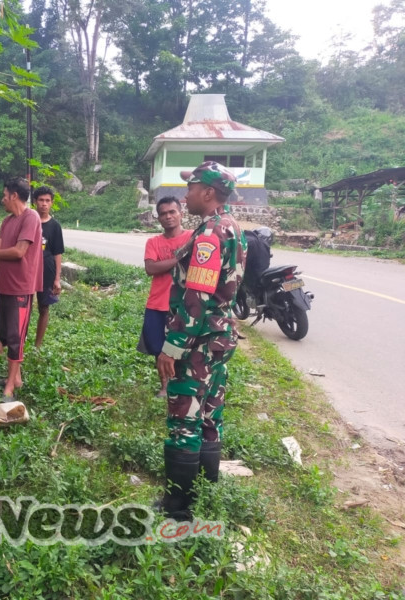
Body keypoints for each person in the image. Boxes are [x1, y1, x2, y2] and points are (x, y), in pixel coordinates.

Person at [155, 161, 246, 520]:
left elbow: (196, 297)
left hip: (198, 344)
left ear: (208, 193)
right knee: (209, 416)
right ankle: (204, 493)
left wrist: (172, 347)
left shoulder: (209, 235)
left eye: (191, 187)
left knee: (183, 421)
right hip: (219, 339)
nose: (186, 193)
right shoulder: (233, 227)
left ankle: (178, 509)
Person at [0, 177, 42, 401]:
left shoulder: (31, 217)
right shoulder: (6, 222)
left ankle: (9, 388)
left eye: (5, 196)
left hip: (21, 288)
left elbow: (18, 251)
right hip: (4, 287)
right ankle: (16, 378)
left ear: (14, 196)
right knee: (5, 334)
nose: (2, 199)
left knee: (16, 337)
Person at [137, 197, 192, 396]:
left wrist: (168, 263)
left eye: (172, 212)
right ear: (158, 218)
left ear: (181, 214)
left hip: (184, 305)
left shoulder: (192, 238)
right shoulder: (153, 242)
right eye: (163, 213)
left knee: (183, 347)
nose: (168, 216)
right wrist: (179, 258)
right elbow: (150, 268)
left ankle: (182, 383)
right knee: (158, 349)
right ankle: (165, 386)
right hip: (157, 303)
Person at [33, 186, 65, 348]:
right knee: (22, 306)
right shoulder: (29, 222)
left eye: (47, 201)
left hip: (47, 271)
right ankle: (18, 342)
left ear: (51, 203)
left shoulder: (55, 226)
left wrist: (57, 279)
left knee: (44, 308)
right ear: (35, 202)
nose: (44, 204)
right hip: (28, 271)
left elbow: (58, 253)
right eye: (41, 200)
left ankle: (37, 345)